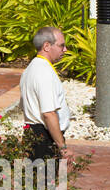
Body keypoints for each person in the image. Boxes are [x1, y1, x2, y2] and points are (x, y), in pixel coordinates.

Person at [19, 26, 71, 161]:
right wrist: (62, 147)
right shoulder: (44, 72)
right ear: (47, 46)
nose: (65, 50)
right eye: (61, 46)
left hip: (35, 134)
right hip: (44, 138)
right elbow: (48, 113)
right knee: (45, 181)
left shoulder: (31, 68)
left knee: (36, 180)